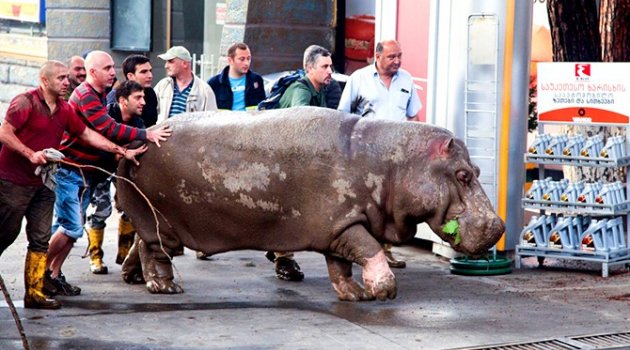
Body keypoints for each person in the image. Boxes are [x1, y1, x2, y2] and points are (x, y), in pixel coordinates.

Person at [0, 60, 147, 309]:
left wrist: (121, 151)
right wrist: (30, 154)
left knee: (40, 238)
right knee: (6, 232)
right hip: (13, 181)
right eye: (60, 78)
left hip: (45, 181)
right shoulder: (25, 102)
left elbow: (88, 135)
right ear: (45, 81)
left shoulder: (65, 109)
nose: (67, 82)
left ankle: (35, 293)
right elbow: (5, 132)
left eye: (67, 78)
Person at [45, 51, 172, 296]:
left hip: (85, 173)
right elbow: (106, 128)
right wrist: (146, 135)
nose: (113, 72)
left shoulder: (102, 94)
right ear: (92, 72)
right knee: (70, 227)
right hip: (71, 171)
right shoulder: (85, 95)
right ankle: (38, 273)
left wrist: (123, 151)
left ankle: (53, 274)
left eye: (112, 67)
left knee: (72, 229)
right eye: (107, 68)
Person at [337, 39, 423, 268]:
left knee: (389, 204)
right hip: (366, 154)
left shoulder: (406, 79)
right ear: (377, 57)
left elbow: (413, 116)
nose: (397, 61)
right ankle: (364, 250)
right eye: (391, 57)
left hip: (396, 156)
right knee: (366, 204)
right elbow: (343, 116)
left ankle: (385, 251)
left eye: (399, 56)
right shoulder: (359, 79)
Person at [265, 45, 334, 282]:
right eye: (324, 66)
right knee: (288, 211)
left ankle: (278, 250)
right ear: (309, 68)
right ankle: (283, 257)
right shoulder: (300, 90)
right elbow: (303, 120)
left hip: (299, 162)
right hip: (285, 163)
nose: (330, 71)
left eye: (330, 66)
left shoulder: (321, 89)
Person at [154, 46, 217, 123]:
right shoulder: (163, 85)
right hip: (164, 134)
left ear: (184, 64)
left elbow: (212, 122)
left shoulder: (205, 90)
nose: (166, 66)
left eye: (170, 61)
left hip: (191, 134)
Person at [207, 42, 266, 111]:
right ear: (230, 60)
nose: (246, 63)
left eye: (248, 58)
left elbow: (263, 108)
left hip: (250, 121)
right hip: (226, 121)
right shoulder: (214, 83)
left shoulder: (256, 80)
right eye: (242, 59)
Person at [106, 54, 158, 127]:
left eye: (150, 71)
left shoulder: (150, 93)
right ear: (130, 76)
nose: (150, 75)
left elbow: (152, 123)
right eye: (144, 72)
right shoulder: (115, 96)